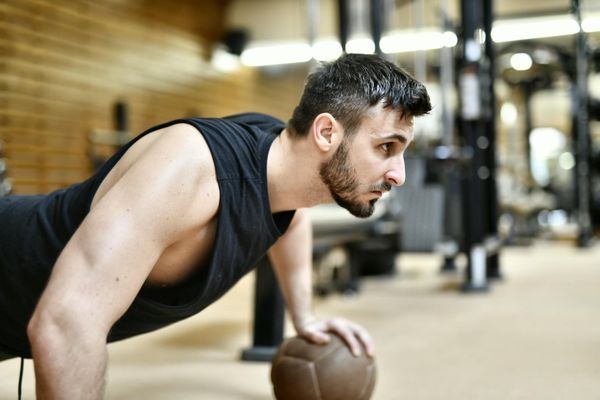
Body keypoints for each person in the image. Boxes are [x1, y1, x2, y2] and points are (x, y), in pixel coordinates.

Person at [0, 53, 431, 398]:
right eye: (385, 147)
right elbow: (66, 321)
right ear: (325, 132)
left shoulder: (281, 165)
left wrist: (304, 316)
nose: (399, 174)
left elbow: (291, 221)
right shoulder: (189, 169)